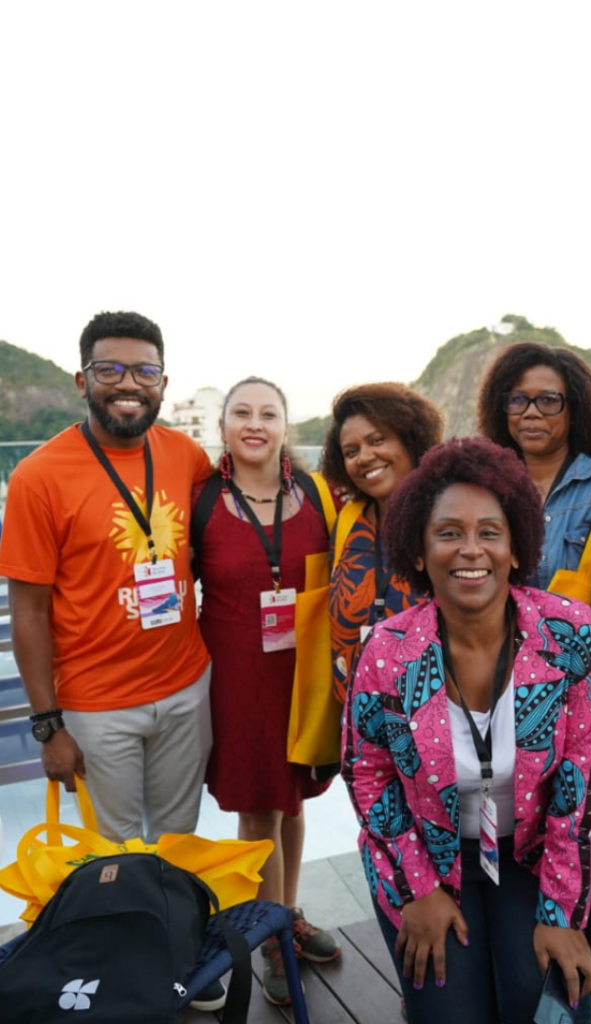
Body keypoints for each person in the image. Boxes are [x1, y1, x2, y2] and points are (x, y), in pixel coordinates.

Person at [342, 437, 591, 1024]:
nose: (471, 549)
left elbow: (582, 782)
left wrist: (560, 914)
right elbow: (367, 774)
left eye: (490, 532)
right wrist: (418, 889)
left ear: (516, 548)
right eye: (448, 533)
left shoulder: (571, 634)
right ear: (418, 552)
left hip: (531, 855)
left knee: (546, 1006)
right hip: (427, 853)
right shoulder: (387, 651)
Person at [0, 310, 222, 1011]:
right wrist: (47, 725)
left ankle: (179, 959)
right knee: (114, 856)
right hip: (96, 706)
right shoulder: (39, 476)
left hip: (186, 684)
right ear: (82, 380)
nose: (128, 384)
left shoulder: (185, 457)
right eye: (110, 369)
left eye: (144, 370)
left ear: (163, 382)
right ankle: (127, 983)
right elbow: (28, 612)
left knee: (177, 841)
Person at [477, 341, 591, 1018]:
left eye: (548, 400)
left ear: (575, 408)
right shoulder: (483, 479)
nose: (532, 412)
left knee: (583, 863)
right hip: (481, 706)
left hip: (572, 716)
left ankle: (577, 1005)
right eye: (519, 399)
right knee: (501, 859)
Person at [192, 376, 340, 1006]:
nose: (255, 423)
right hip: (237, 676)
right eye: (242, 412)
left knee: (293, 799)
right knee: (259, 809)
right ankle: (272, 939)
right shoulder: (200, 500)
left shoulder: (317, 493)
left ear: (286, 426)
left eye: (268, 413)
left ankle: (288, 911)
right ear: (223, 427)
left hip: (302, 672)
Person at [319, 382, 444, 703]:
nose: (364, 457)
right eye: (351, 452)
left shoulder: (448, 518)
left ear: (410, 439)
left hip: (434, 713)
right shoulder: (348, 522)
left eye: (377, 440)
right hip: (356, 712)